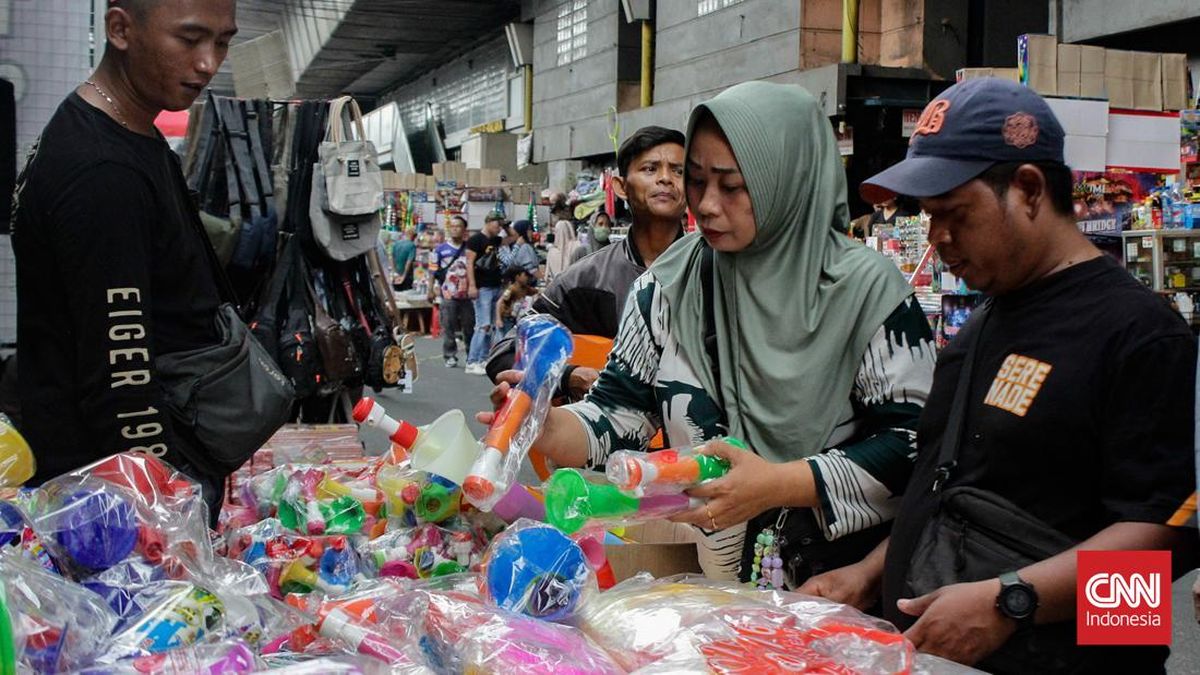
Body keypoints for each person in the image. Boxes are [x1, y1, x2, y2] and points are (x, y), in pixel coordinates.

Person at [801, 78, 1196, 672]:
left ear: (1030, 190)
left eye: (954, 214)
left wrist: (1011, 602)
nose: (937, 238)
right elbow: (950, 494)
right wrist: (867, 574)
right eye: (929, 217)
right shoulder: (981, 325)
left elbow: (1167, 552)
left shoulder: (1141, 336)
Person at [482, 82, 935, 583]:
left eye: (732, 185)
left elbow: (913, 442)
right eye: (696, 181)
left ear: (788, 180)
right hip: (720, 596)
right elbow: (618, 411)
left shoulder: (869, 293)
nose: (706, 205)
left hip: (841, 591)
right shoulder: (669, 287)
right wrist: (547, 427)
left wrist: (782, 484)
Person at [11, 0, 239, 515]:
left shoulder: (126, 133)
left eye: (222, 42)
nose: (208, 62)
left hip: (112, 482)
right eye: (190, 39)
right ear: (119, 29)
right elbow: (122, 382)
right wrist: (170, 510)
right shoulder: (102, 171)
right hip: (113, 502)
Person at [485, 126, 690, 392]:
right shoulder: (586, 279)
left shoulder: (714, 274)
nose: (665, 179)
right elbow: (505, 354)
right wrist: (567, 377)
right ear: (621, 186)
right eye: (650, 169)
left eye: (679, 171)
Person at [464, 211, 507, 375]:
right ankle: (472, 360)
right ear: (488, 222)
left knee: (489, 326)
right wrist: (472, 285)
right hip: (483, 287)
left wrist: (506, 225)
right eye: (497, 224)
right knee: (483, 325)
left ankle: (482, 359)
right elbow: (469, 263)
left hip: (496, 285)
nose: (499, 228)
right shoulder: (475, 240)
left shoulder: (496, 240)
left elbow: (512, 238)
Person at [429, 216, 474, 368]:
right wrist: (430, 289)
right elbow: (433, 271)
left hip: (467, 295)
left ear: (464, 229)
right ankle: (450, 355)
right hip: (447, 294)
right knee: (448, 325)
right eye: (452, 226)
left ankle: (471, 353)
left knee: (469, 325)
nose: (455, 228)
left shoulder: (470, 249)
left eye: (458, 226)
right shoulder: (440, 249)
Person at [495, 266, 538, 336]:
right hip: (507, 319)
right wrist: (498, 319)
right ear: (517, 277)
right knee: (506, 337)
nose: (526, 278)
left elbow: (535, 291)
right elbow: (500, 303)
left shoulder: (525, 288)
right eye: (524, 275)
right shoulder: (511, 289)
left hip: (516, 317)